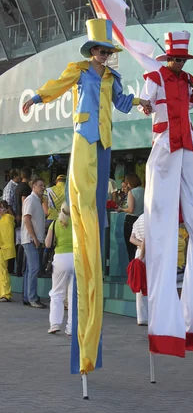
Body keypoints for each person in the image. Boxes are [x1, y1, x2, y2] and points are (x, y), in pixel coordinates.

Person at [22, 18, 151, 374]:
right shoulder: (80, 71)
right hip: (84, 137)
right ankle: (74, 213)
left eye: (108, 52)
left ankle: (91, 223)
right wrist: (36, 97)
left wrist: (141, 101)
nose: (104, 56)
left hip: (105, 141)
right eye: (100, 50)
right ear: (91, 51)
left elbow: (123, 102)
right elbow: (58, 85)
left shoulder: (112, 79)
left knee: (98, 190)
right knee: (81, 186)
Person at [139, 30, 193, 357]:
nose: (180, 63)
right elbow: (146, 101)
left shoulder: (185, 80)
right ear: (167, 57)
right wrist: (144, 104)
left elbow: (192, 102)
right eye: (177, 59)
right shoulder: (154, 75)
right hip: (166, 142)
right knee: (161, 207)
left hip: (187, 144)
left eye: (183, 59)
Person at [45, 202, 74, 336]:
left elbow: (48, 244)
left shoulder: (55, 223)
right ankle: (71, 327)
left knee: (57, 293)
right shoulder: (77, 222)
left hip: (60, 259)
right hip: (76, 259)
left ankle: (55, 324)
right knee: (73, 294)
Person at [21, 177, 47, 309]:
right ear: (34, 186)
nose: (43, 188)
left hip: (31, 239)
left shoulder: (36, 201)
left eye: (43, 186)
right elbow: (27, 219)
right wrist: (35, 238)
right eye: (40, 185)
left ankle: (27, 296)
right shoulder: (31, 200)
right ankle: (32, 298)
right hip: (31, 240)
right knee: (34, 268)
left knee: (29, 269)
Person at [119, 174, 144, 262]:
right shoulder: (144, 191)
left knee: (130, 249)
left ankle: (133, 267)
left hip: (131, 220)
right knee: (140, 247)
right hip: (142, 221)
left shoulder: (132, 192)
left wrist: (121, 209)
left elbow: (130, 209)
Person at [130, 213, 148, 326]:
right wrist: (143, 252)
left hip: (139, 252)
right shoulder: (152, 217)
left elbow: (131, 238)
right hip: (149, 253)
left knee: (140, 285)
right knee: (149, 284)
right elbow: (147, 238)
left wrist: (140, 247)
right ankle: (151, 316)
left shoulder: (139, 218)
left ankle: (141, 317)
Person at [15, 167, 32, 276]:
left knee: (19, 243)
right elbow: (24, 202)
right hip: (23, 217)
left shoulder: (18, 187)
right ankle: (21, 269)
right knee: (24, 244)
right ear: (30, 175)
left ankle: (18, 268)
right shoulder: (26, 188)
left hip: (18, 216)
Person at [0, 200, 15, 302]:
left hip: (3, 248)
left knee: (3, 271)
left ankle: (5, 293)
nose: (2, 209)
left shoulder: (7, 218)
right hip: (4, 247)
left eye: (4, 207)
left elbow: (6, 235)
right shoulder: (5, 219)